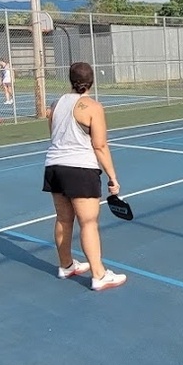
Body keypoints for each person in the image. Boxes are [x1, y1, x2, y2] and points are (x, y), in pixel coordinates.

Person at [43, 62, 127, 292]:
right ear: (92, 81)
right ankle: (99, 275)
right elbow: (99, 145)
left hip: (54, 167)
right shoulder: (93, 107)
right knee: (88, 222)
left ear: (70, 80)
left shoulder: (56, 103)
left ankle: (66, 265)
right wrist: (112, 177)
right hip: (80, 169)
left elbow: (54, 135)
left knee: (63, 218)